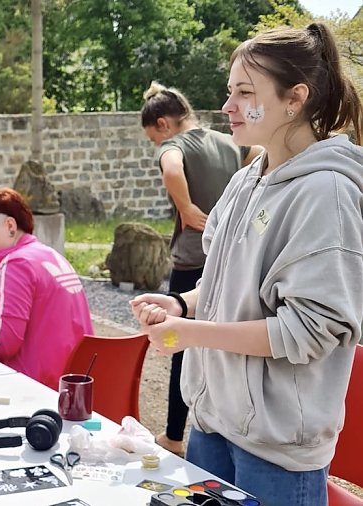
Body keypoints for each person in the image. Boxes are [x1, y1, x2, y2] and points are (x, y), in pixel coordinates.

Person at [131, 22, 363, 506]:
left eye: (244, 92)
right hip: (214, 424)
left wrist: (191, 334)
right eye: (229, 90)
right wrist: (180, 303)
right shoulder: (245, 180)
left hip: (276, 450)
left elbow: (309, 331)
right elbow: (222, 287)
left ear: (294, 98)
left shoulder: (327, 192)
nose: (228, 105)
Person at [140, 81, 262, 457]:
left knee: (181, 346)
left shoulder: (175, 146)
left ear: (163, 125)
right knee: (224, 339)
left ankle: (175, 435)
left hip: (193, 257)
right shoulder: (228, 142)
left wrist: (187, 207)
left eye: (152, 139)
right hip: (230, 258)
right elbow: (258, 152)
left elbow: (171, 169)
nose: (156, 146)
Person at [0, 187, 94, 389]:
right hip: (76, 382)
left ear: (10, 226)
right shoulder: (51, 255)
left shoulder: (14, 264)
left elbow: (2, 342)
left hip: (35, 387)